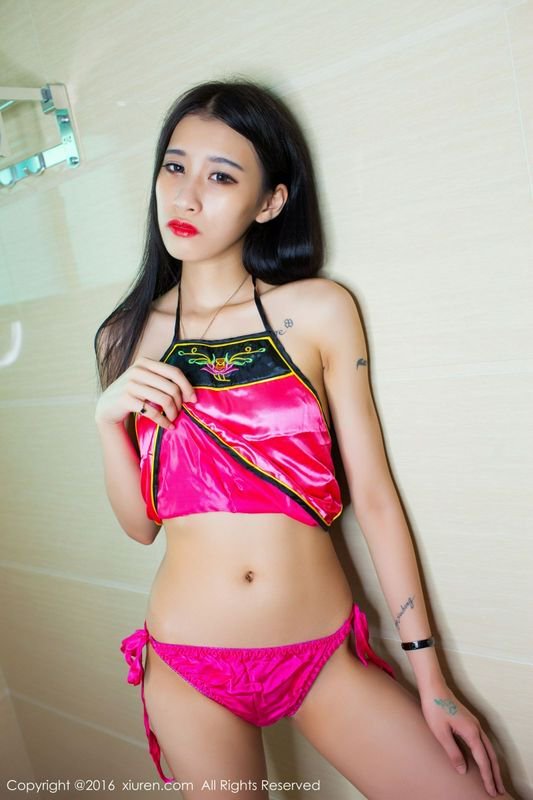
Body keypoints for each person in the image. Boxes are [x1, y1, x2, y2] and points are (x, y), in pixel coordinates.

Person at [93, 79, 513, 800]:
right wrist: (107, 421)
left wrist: (431, 679)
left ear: (270, 202)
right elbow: (141, 527)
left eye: (220, 177)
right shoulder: (125, 336)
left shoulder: (318, 311)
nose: (185, 196)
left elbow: (373, 499)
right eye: (174, 167)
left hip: (319, 656)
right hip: (188, 663)